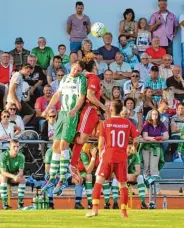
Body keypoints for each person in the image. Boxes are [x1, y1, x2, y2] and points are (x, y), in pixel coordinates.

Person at [86, 99, 140, 218]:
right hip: (121, 157)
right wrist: (132, 148)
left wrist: (100, 155)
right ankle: (124, 213)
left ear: (111, 109)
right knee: (123, 185)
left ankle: (95, 210)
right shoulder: (127, 123)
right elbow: (136, 139)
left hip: (108, 156)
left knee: (99, 181)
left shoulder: (105, 123)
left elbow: (100, 144)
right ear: (121, 109)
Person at [41, 61, 87, 195]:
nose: (75, 72)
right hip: (61, 114)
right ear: (71, 67)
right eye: (74, 69)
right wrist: (48, 109)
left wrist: (75, 110)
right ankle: (52, 178)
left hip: (71, 115)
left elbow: (82, 97)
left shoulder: (81, 80)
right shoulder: (65, 78)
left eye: (78, 70)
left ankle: (62, 179)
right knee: (55, 146)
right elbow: (57, 95)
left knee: (63, 146)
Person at [70, 54, 108, 180]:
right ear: (94, 66)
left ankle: (72, 164)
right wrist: (103, 106)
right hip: (89, 109)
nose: (98, 65)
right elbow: (90, 96)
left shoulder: (85, 76)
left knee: (87, 140)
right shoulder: (94, 78)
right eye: (96, 63)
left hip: (91, 111)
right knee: (81, 140)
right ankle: (70, 160)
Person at [141, 109, 168, 196]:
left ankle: (156, 188)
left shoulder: (161, 124)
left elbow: (166, 136)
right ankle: (147, 188)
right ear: (150, 115)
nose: (155, 116)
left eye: (156, 114)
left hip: (156, 147)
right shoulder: (146, 124)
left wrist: (160, 138)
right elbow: (145, 136)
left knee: (154, 167)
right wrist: (151, 139)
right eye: (153, 114)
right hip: (146, 147)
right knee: (146, 167)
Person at [0, 139, 26, 209]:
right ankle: (5, 204)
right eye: (14, 146)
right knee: (3, 176)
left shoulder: (21, 156)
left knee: (22, 179)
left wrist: (17, 176)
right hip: (3, 177)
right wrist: (13, 176)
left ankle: (20, 204)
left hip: (13, 177)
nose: (16, 148)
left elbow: (21, 171)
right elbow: (3, 172)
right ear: (10, 147)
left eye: (17, 146)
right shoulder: (3, 155)